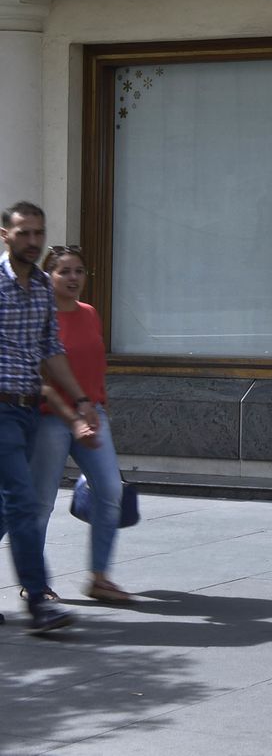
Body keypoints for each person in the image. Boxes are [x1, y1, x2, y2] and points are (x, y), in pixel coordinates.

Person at [0, 202, 98, 634]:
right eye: (23, 233)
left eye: (38, 233)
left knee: (5, 509)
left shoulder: (41, 287)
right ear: (5, 234)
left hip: (25, 412)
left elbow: (50, 352)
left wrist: (79, 400)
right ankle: (39, 602)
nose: (33, 241)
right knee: (22, 500)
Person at [30, 244, 130, 602]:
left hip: (92, 413)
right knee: (41, 503)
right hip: (50, 418)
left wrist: (99, 404)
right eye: (64, 271)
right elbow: (39, 376)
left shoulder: (89, 313)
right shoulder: (39, 318)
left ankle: (99, 578)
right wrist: (74, 414)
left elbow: (94, 365)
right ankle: (35, 583)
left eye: (79, 271)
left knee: (110, 490)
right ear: (48, 276)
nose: (73, 278)